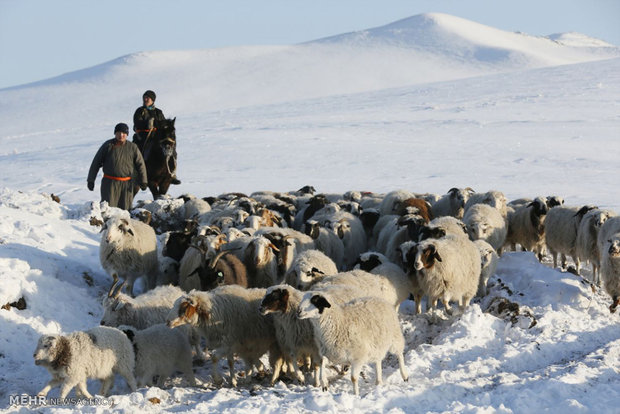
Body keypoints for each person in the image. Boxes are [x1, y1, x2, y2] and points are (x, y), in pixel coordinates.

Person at [87, 123, 148, 210]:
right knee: (108, 209)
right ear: (115, 133)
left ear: (127, 134)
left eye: (123, 133)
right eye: (118, 133)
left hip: (126, 185)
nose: (121, 135)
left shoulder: (133, 147)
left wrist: (143, 181)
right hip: (109, 184)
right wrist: (91, 180)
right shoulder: (108, 145)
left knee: (126, 210)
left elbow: (140, 164)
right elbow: (96, 163)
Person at [133, 90, 181, 184]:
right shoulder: (140, 111)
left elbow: (163, 123)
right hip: (143, 137)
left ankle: (172, 174)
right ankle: (137, 173)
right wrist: (147, 123)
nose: (145, 99)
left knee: (171, 150)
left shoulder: (158, 112)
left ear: (153, 100)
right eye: (144, 97)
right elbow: (137, 123)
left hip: (157, 137)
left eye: (148, 98)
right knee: (137, 152)